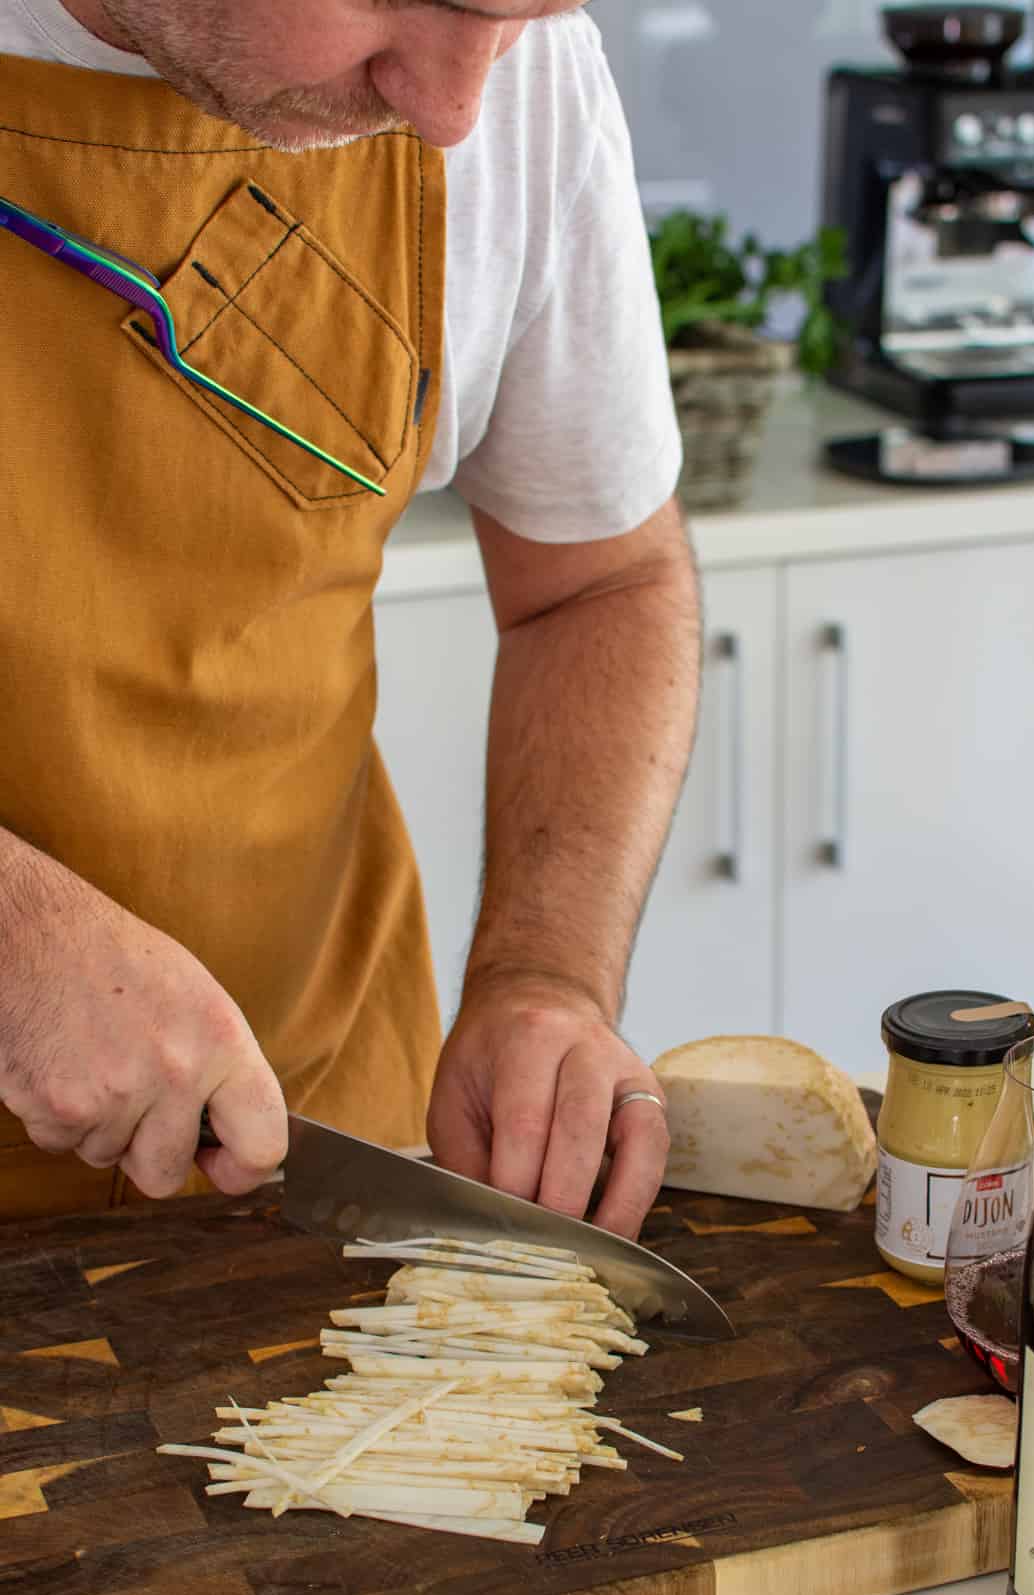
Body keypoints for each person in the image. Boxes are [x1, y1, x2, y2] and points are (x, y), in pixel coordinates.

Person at [0, 0, 697, 1239]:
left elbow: (601, 585)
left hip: (299, 1164)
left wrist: (544, 972)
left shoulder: (518, 86)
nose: (452, 108)